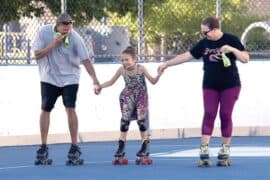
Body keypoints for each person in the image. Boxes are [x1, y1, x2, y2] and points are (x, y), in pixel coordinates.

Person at [158, 16, 249, 166]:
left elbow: (245, 58)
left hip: (230, 85)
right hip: (210, 85)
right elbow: (186, 56)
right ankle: (204, 150)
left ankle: (225, 150)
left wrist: (232, 49)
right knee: (209, 114)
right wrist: (166, 64)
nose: (203, 35)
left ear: (215, 29)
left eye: (205, 32)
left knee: (225, 115)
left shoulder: (231, 39)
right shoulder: (204, 44)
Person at [32, 13, 100, 165]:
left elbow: (86, 60)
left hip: (70, 77)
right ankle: (43, 146)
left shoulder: (75, 37)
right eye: (64, 27)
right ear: (57, 25)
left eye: (69, 27)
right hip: (49, 76)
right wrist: (54, 44)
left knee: (70, 108)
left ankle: (74, 146)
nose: (67, 30)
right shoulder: (44, 32)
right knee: (45, 109)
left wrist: (95, 80)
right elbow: (37, 55)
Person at [95, 46, 162, 164]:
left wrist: (159, 74)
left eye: (127, 59)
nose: (124, 62)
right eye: (122, 60)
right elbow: (111, 82)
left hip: (141, 96)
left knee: (142, 122)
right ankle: (121, 145)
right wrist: (100, 86)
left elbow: (153, 81)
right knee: (124, 122)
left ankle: (144, 145)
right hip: (128, 96)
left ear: (134, 59)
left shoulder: (141, 68)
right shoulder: (121, 70)